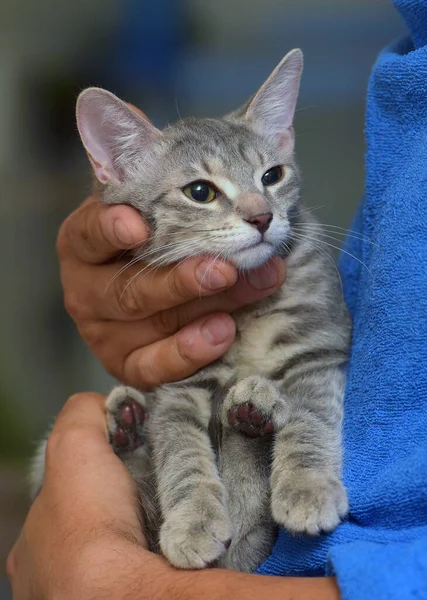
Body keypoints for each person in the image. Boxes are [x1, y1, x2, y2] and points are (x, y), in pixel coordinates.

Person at [7, 1, 427, 597]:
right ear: (117, 171)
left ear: (282, 142)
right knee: (78, 445)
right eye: (205, 191)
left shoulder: (301, 253)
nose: (258, 213)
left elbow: (319, 362)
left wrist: (115, 582)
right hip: (212, 522)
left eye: (271, 177)